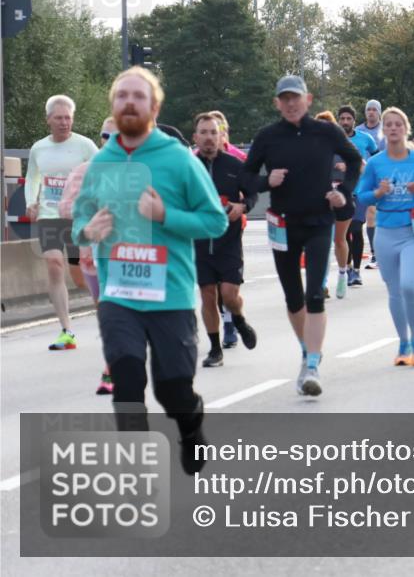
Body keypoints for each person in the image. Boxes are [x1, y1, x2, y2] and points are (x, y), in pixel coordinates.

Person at [72, 66, 228, 474]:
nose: (129, 102)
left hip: (169, 293)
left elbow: (215, 221)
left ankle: (190, 427)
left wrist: (165, 214)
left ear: (154, 106)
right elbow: (79, 220)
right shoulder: (101, 163)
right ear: (113, 105)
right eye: (122, 95)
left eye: (138, 96)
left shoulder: (178, 159)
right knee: (124, 374)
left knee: (173, 387)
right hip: (118, 293)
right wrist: (87, 231)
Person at [242, 75, 363, 396]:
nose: (291, 103)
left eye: (296, 97)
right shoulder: (267, 137)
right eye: (285, 99)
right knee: (293, 297)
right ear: (277, 103)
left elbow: (354, 161)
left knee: (313, 294)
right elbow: (246, 176)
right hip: (282, 225)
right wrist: (269, 181)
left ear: (308, 100)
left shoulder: (326, 131)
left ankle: (312, 365)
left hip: (319, 222)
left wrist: (344, 192)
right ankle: (307, 350)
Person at [355, 108, 414, 366]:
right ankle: (403, 344)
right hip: (385, 232)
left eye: (397, 125)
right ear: (384, 130)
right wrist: (378, 193)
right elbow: (361, 195)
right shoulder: (376, 163)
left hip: (413, 231)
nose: (393, 128)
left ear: (406, 129)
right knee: (394, 291)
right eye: (388, 125)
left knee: (409, 286)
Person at [25, 94, 100, 351]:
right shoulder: (39, 148)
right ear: (48, 120)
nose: (64, 122)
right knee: (55, 265)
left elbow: (102, 171)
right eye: (59, 118)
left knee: (82, 277)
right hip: (49, 216)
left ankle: (110, 316)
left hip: (77, 217)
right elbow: (32, 177)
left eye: (68, 117)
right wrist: (30, 202)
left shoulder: (85, 146)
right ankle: (67, 330)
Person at [191, 112, 259, 367]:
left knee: (229, 295)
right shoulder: (189, 167)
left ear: (221, 136)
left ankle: (239, 320)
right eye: (204, 133)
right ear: (196, 137)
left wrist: (243, 207)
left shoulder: (234, 166)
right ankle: (215, 349)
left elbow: (251, 193)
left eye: (213, 132)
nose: (209, 138)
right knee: (208, 295)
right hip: (198, 243)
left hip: (228, 241)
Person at [59, 117, 114, 393]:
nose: (111, 141)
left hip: (131, 255)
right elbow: (65, 209)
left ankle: (112, 368)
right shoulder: (84, 171)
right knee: (105, 310)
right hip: (93, 255)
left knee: (116, 309)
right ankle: (115, 361)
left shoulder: (143, 170)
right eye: (106, 136)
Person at [334, 105, 378, 289]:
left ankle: (356, 271)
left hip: (360, 191)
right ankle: (348, 267)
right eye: (342, 119)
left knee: (355, 229)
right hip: (339, 192)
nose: (345, 122)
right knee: (343, 235)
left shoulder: (365, 138)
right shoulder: (332, 140)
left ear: (353, 120)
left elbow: (375, 160)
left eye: (348, 119)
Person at [356, 100, 384, 269]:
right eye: (369, 110)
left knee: (373, 214)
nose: (371, 112)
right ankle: (371, 253)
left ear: (379, 112)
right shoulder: (358, 130)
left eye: (374, 110)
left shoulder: (385, 130)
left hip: (379, 177)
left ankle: (377, 254)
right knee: (363, 218)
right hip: (359, 179)